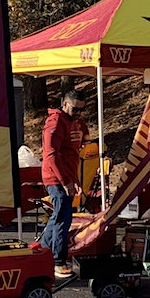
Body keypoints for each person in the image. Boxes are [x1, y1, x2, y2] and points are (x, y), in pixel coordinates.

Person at [41, 90, 85, 278]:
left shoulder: (72, 121)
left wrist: (74, 180)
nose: (78, 114)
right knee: (62, 219)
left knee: (59, 217)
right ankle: (58, 261)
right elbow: (51, 155)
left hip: (66, 177)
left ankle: (42, 252)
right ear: (65, 104)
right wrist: (66, 181)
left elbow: (71, 154)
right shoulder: (56, 122)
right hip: (56, 178)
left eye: (81, 111)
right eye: (75, 109)